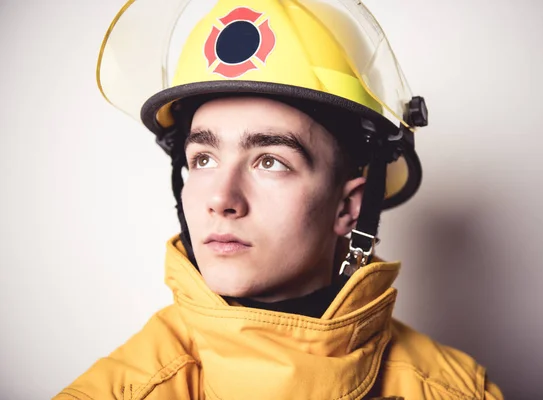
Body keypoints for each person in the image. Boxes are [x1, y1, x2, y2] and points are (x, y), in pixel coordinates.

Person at [55, 0, 503, 398]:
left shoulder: (456, 392)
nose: (221, 199)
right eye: (204, 159)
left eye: (270, 161)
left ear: (349, 208)